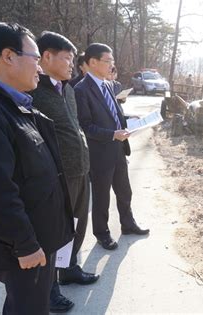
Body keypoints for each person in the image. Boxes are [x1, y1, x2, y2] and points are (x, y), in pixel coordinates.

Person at [0, 22, 74, 315]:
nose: (40, 69)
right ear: (8, 56)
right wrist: (24, 244)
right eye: (36, 59)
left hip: (38, 235)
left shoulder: (16, 104)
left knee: (26, 305)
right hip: (23, 245)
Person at [31, 31, 99, 313]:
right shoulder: (34, 92)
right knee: (57, 231)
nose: (72, 64)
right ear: (46, 57)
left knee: (78, 225)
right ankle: (49, 290)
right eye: (67, 59)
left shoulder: (67, 88)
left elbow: (74, 127)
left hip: (80, 170)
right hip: (58, 177)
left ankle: (69, 268)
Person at [74, 43, 149, 251]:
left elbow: (113, 114)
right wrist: (111, 134)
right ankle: (102, 233)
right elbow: (85, 126)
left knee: (124, 189)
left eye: (112, 61)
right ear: (92, 62)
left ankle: (127, 223)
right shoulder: (81, 90)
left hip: (118, 148)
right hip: (99, 152)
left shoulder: (107, 84)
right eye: (108, 61)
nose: (111, 65)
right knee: (101, 196)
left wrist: (130, 120)